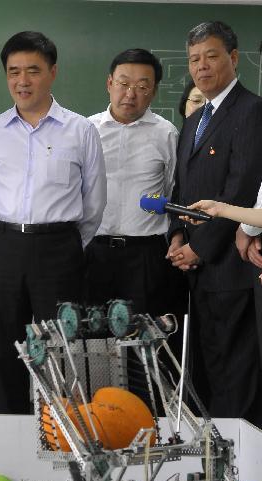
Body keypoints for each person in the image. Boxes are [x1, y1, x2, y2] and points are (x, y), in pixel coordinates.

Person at [0, 31, 106, 415]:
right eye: (13, 72)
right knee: (6, 346)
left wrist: (64, 244)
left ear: (52, 72)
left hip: (59, 250)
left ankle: (59, 432)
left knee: (61, 348)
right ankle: (9, 425)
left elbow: (94, 202)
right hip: (4, 246)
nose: (22, 81)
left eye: (33, 70)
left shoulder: (80, 131)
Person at [166, 21, 262, 423]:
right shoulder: (195, 118)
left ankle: (240, 458)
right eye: (194, 59)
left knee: (235, 375)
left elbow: (241, 189)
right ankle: (213, 452)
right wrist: (176, 236)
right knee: (208, 371)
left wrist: (199, 248)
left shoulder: (251, 111)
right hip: (199, 272)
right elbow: (181, 184)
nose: (201, 66)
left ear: (233, 58)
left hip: (231, 267)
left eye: (211, 56)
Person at [86, 48, 186, 324]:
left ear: (153, 92)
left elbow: (173, 190)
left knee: (144, 336)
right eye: (123, 83)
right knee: (94, 336)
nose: (130, 94)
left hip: (146, 255)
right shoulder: (87, 130)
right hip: (94, 252)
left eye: (142, 87)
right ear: (109, 83)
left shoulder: (166, 134)